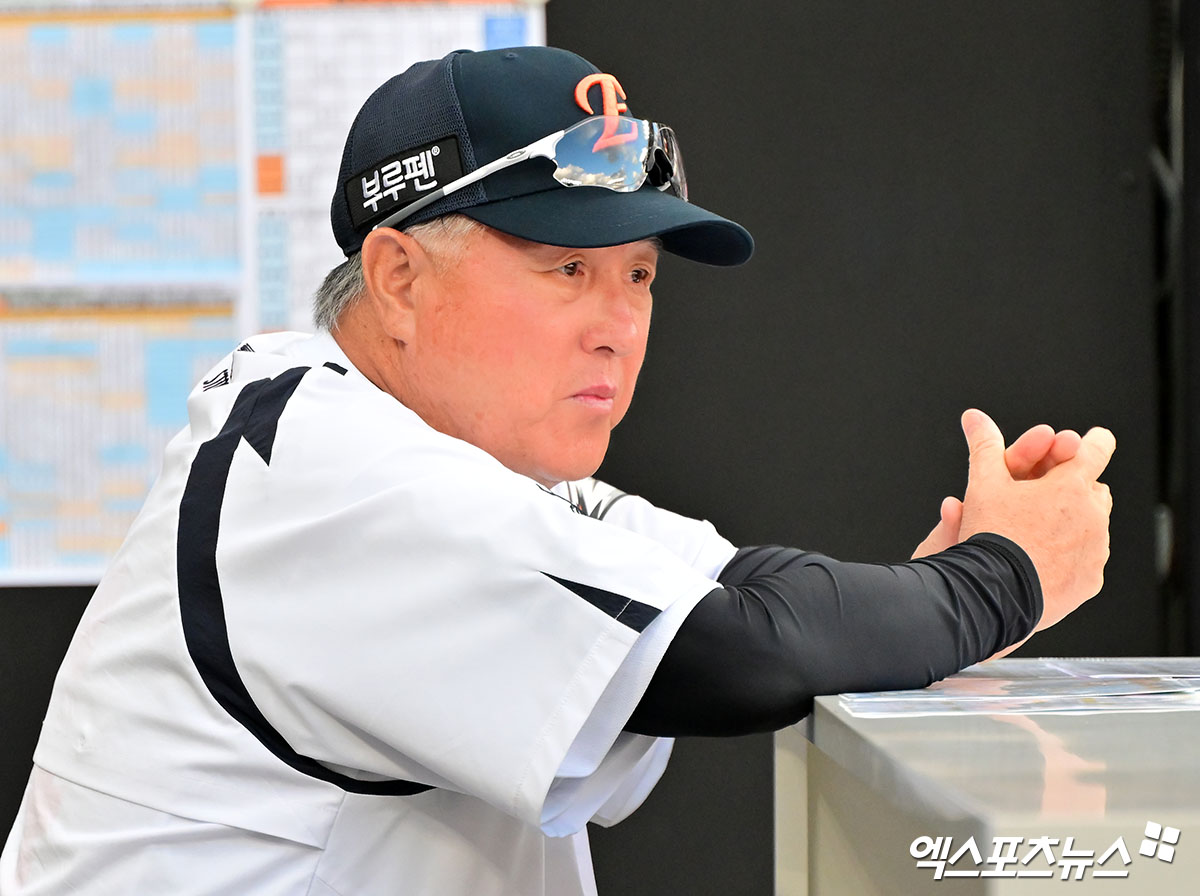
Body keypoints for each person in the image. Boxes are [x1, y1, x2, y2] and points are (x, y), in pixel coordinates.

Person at [0, 46, 1113, 896]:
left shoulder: (467, 459)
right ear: (397, 278)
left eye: (638, 277)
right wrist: (1004, 575)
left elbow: (753, 592)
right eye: (567, 268)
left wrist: (927, 610)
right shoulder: (328, 469)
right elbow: (744, 655)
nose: (617, 326)